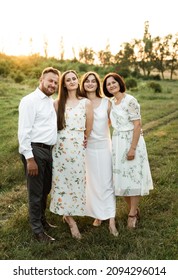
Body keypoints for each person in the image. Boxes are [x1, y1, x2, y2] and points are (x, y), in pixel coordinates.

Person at [103, 72, 153, 229]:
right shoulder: (111, 102)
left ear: (119, 82)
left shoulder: (130, 100)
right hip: (117, 142)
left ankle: (132, 213)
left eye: (114, 82)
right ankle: (134, 208)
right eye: (108, 84)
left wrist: (132, 148)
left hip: (132, 141)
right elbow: (110, 121)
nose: (111, 85)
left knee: (133, 177)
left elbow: (137, 125)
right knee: (121, 178)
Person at [18, 67, 60, 242]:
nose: (53, 84)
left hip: (48, 151)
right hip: (34, 151)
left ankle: (42, 221)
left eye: (56, 83)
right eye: (50, 80)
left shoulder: (50, 102)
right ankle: (37, 231)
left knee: (45, 189)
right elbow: (23, 132)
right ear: (41, 79)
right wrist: (30, 159)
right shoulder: (30, 101)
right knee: (35, 193)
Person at [49, 70, 93, 239]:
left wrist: (83, 138)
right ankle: (70, 219)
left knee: (76, 179)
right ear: (64, 84)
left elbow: (89, 125)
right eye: (68, 80)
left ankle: (71, 211)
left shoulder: (85, 103)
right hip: (60, 146)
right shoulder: (57, 102)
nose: (72, 81)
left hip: (77, 146)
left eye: (74, 78)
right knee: (61, 180)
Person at [80, 71, 118, 237]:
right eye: (87, 81)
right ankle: (98, 215)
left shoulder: (106, 103)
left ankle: (111, 219)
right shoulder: (80, 102)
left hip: (104, 147)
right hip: (87, 148)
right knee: (92, 183)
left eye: (93, 81)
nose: (90, 83)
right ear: (83, 84)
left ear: (97, 84)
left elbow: (116, 122)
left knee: (107, 183)